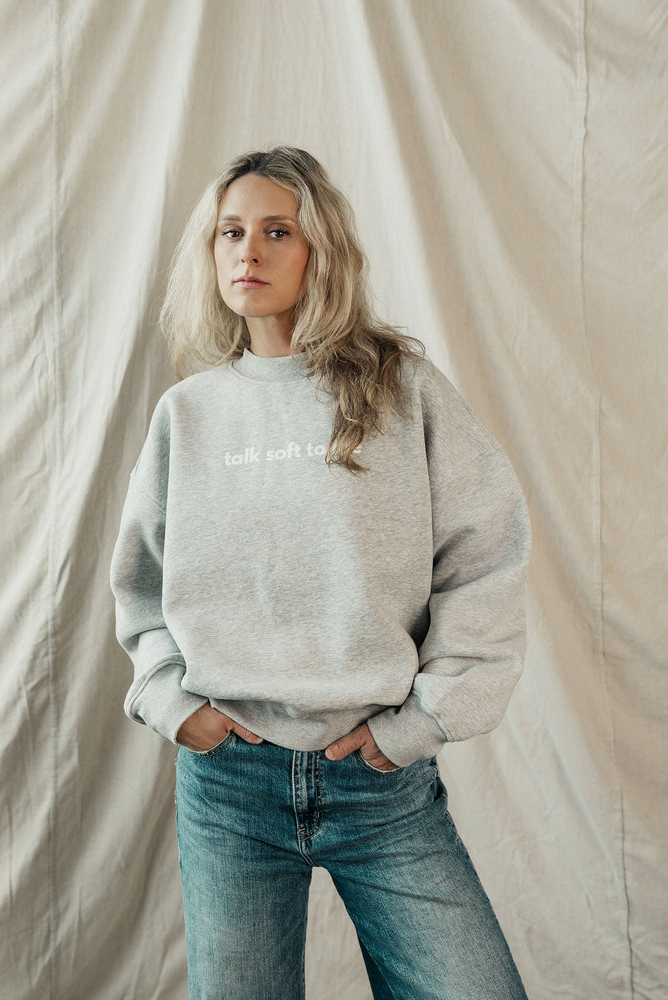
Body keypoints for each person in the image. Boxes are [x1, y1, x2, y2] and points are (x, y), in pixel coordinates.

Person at [110, 146, 531, 1000]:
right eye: (231, 232)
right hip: (231, 779)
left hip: (379, 780)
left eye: (277, 232)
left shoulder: (399, 390)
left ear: (320, 251)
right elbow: (142, 583)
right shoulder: (188, 415)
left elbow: (485, 553)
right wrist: (172, 701)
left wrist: (422, 721)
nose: (248, 252)